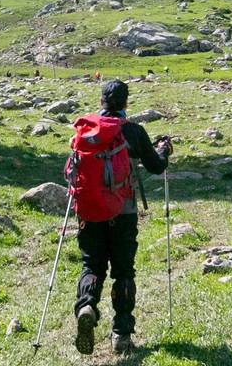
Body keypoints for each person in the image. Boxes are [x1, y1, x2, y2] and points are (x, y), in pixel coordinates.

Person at [72, 79, 172, 355]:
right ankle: (122, 334)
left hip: (90, 212)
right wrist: (164, 149)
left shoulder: (87, 129)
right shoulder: (133, 131)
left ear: (102, 101)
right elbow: (155, 165)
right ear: (126, 103)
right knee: (124, 272)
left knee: (92, 265)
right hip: (124, 212)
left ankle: (87, 306)